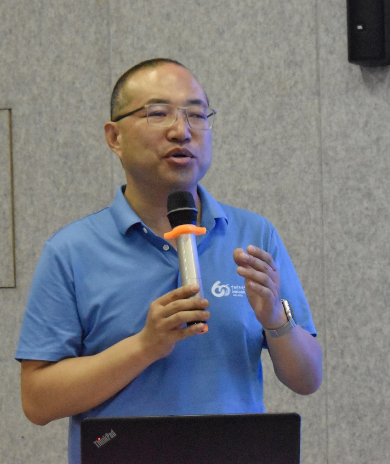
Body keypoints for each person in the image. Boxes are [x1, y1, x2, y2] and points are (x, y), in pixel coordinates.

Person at [16, 58, 322, 464]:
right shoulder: (71, 251)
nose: (182, 131)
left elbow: (308, 378)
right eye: (158, 114)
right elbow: (38, 402)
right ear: (114, 137)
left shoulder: (253, 236)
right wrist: (145, 346)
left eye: (196, 114)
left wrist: (275, 319)